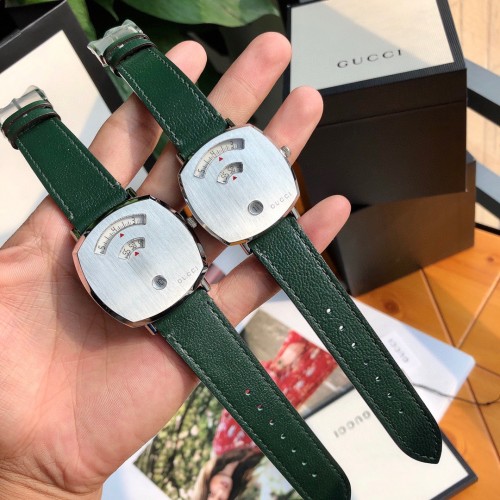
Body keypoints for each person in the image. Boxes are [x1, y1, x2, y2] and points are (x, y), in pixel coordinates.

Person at [0, 33, 350, 499]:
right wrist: (29, 478)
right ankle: (45, 109)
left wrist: (26, 479)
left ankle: (49, 106)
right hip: (159, 291)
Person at [193, 331, 338, 499]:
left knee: (317, 329)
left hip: (284, 373)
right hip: (297, 392)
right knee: (335, 350)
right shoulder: (249, 466)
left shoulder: (222, 444)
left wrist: (281, 364)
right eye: (220, 499)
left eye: (212, 493)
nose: (220, 491)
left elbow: (242, 396)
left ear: (206, 483)